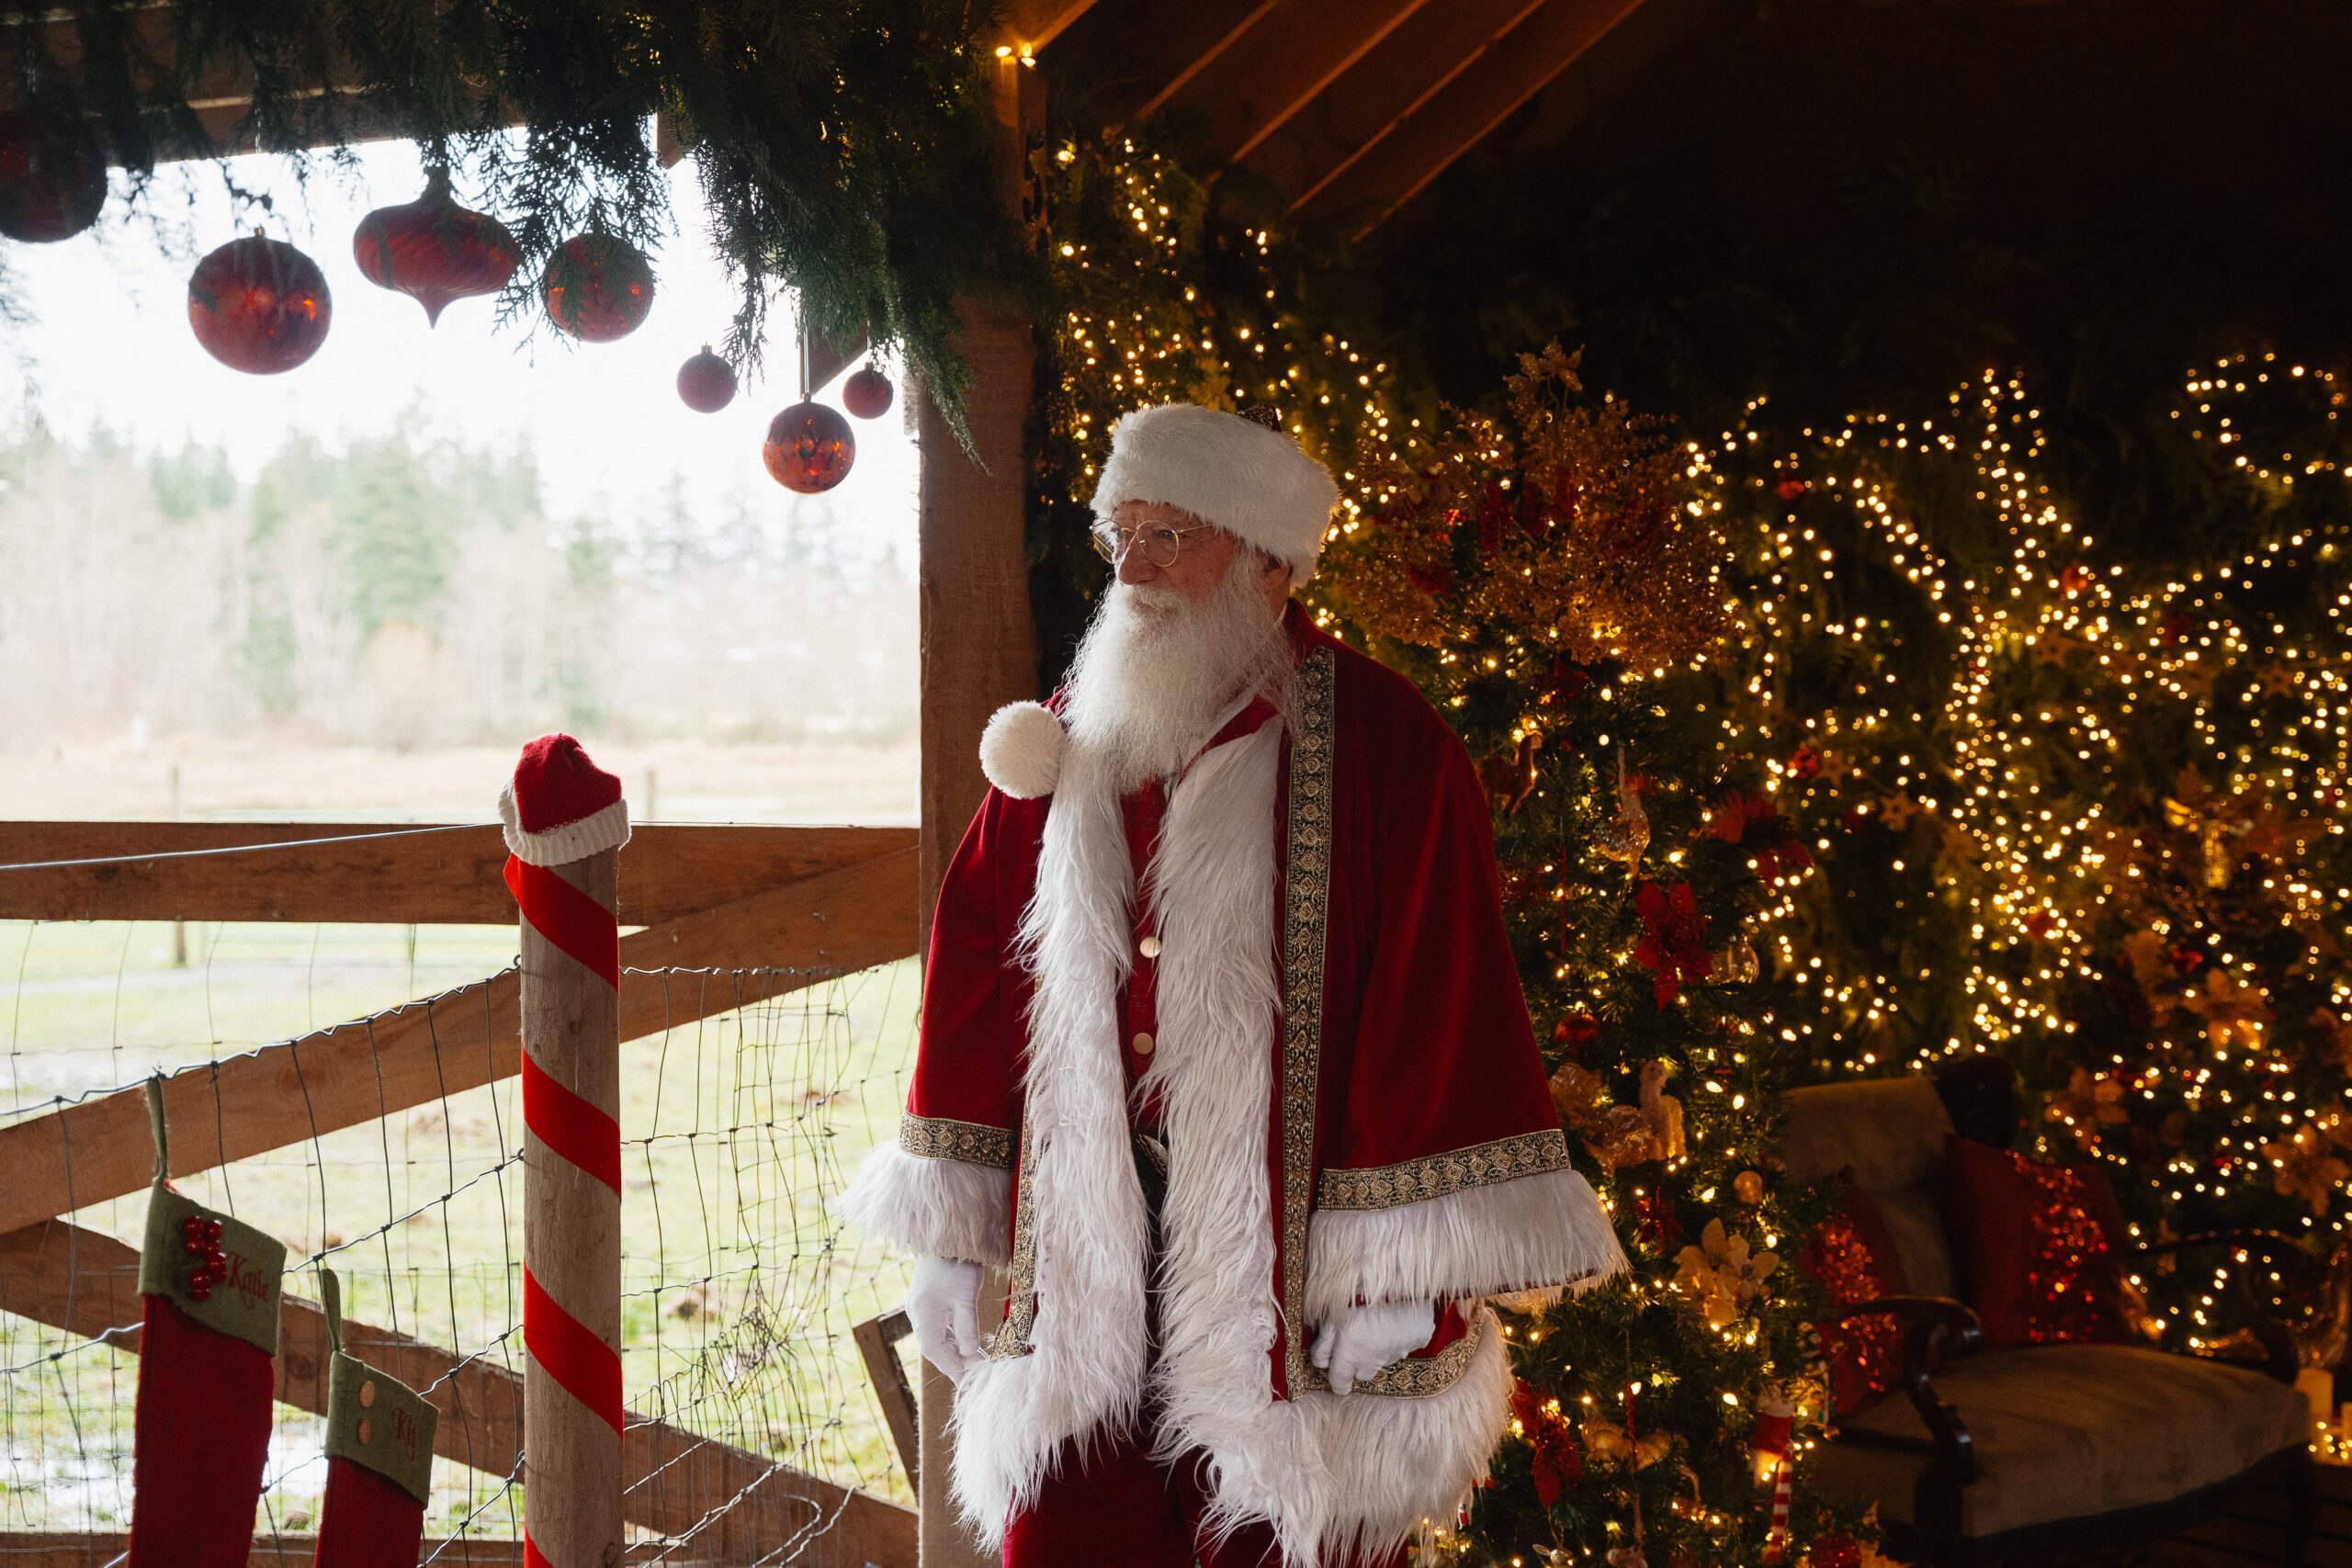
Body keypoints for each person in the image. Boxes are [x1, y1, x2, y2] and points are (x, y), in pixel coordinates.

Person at [841, 402, 1623, 1568]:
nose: (1136, 570)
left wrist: (1397, 1273)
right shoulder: (1066, 739)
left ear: (1271, 561)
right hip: (1088, 1256)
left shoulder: (1384, 747)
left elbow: (1437, 999)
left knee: (1273, 1533)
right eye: (1123, 535)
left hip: (1296, 1270)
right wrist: (955, 1232)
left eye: (1174, 535)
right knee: (1071, 1531)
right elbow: (973, 980)